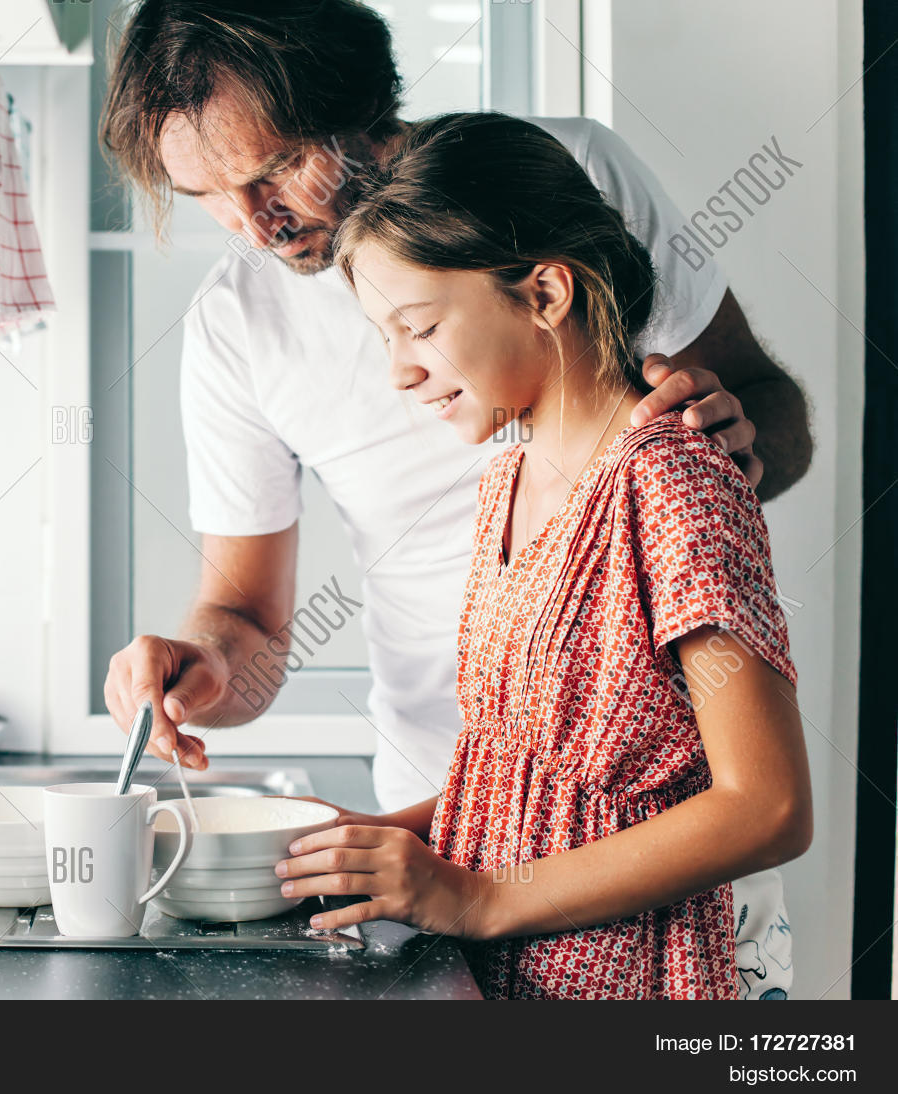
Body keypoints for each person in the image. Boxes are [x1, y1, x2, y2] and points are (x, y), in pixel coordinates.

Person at [98, 0, 811, 998]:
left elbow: (765, 800)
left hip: (639, 899)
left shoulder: (570, 191)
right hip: (459, 828)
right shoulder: (499, 476)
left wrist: (715, 468)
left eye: (268, 172)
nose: (249, 226)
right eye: (206, 195)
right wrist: (213, 667)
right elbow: (254, 622)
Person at [274, 112, 811, 999]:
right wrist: (363, 845)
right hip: (518, 983)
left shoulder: (673, 481)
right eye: (385, 338)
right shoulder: (505, 483)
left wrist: (477, 899)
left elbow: (769, 806)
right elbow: (519, 782)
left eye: (419, 327)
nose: (400, 373)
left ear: (546, 295)